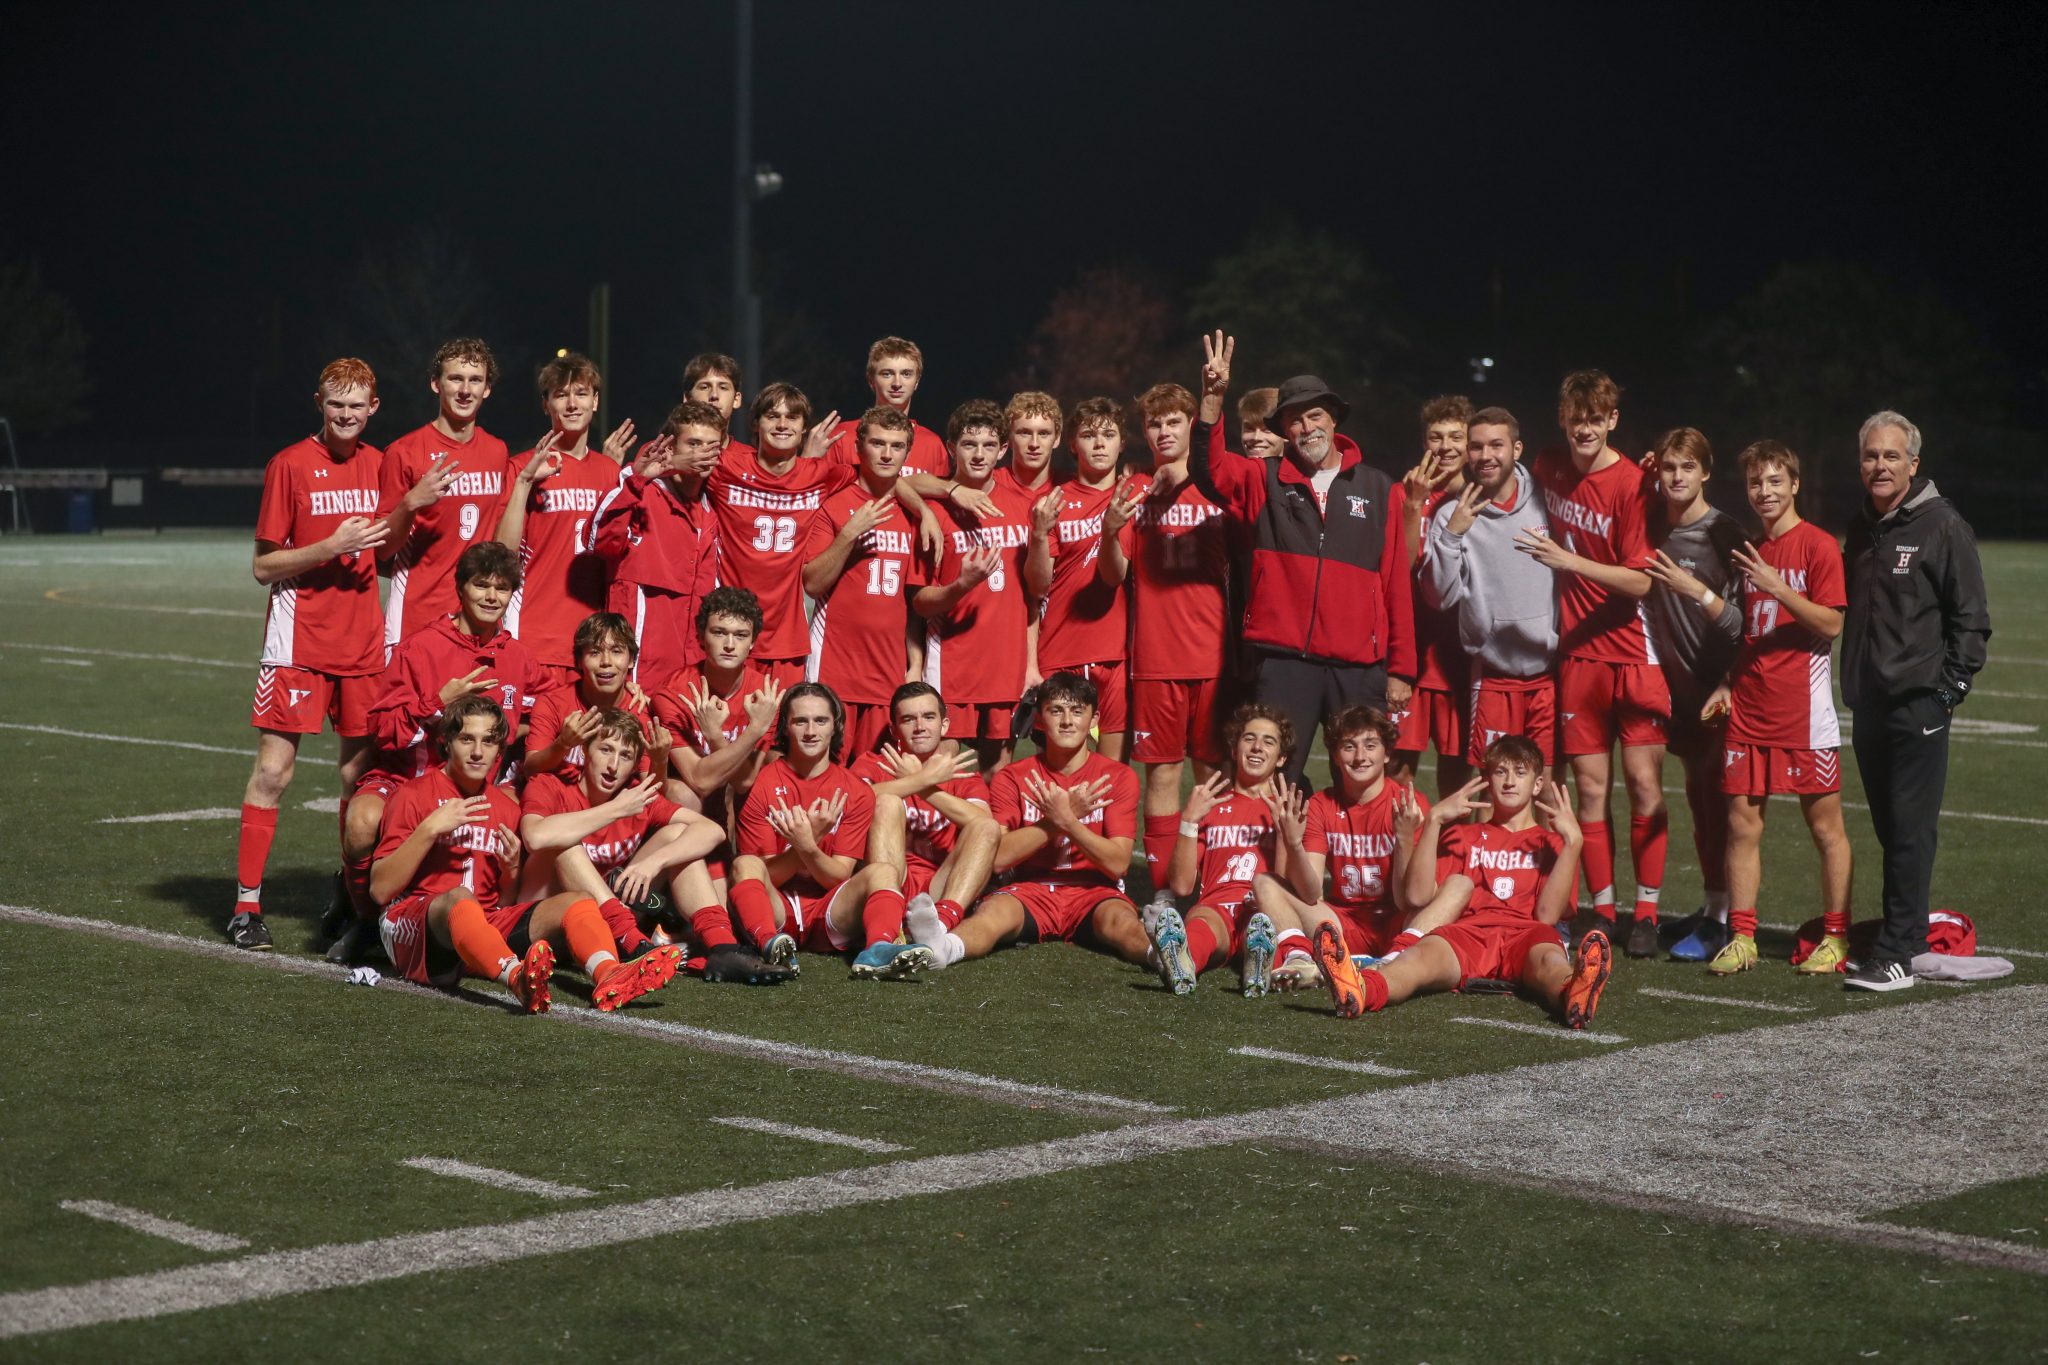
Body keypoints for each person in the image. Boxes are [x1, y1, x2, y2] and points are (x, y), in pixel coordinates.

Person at [1189, 332, 1415, 785]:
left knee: (1361, 780)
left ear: (1333, 420)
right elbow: (1208, 471)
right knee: (1275, 781)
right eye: (1294, 420)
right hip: (1284, 662)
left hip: (1359, 665)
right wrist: (1212, 399)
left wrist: (1402, 669)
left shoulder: (1379, 488)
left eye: (1314, 416)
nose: (1307, 427)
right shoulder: (1263, 478)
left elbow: (1395, 583)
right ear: (1284, 431)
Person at [230, 358, 392, 951]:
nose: (346, 415)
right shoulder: (290, 464)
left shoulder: (383, 465)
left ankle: (353, 900)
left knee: (358, 779)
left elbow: (392, 552)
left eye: (356, 405)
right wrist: (331, 545)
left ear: (373, 408)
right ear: (319, 403)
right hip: (297, 645)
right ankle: (246, 907)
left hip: (364, 646)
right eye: (336, 404)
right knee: (273, 773)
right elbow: (263, 565)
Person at [331, 541, 542, 962]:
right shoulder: (421, 647)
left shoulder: (518, 657)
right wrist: (437, 703)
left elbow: (546, 709)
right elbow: (383, 732)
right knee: (361, 821)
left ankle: (498, 920)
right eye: (481, 585)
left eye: (501, 588)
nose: (491, 596)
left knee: (531, 818)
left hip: (474, 785)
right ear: (460, 588)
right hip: (405, 777)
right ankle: (367, 920)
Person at [1839, 410, 1991, 991]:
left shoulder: (1943, 525)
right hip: (1868, 704)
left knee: (1909, 831)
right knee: (1891, 830)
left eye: (1891, 455)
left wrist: (1947, 693)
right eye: (1871, 455)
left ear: (1913, 463)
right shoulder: (1862, 528)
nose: (1880, 465)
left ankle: (1897, 955)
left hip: (1919, 705)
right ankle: (1909, 940)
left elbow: (1971, 620)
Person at [1314, 736, 1609, 1030]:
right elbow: (1417, 896)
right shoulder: (1463, 836)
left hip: (1525, 933)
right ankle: (1361, 989)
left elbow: (1547, 916)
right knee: (1416, 959)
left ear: (1537, 784)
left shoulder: (1552, 843)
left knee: (1550, 963)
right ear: (1487, 779)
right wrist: (1434, 821)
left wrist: (1574, 844)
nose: (1509, 782)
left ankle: (1574, 992)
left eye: (1520, 773)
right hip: (1467, 934)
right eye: (1500, 772)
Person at [1518, 370, 1667, 936]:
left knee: (1645, 787)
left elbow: (1641, 581)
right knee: (1589, 791)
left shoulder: (1632, 482)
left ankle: (1646, 914)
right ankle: (1603, 911)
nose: (1585, 428)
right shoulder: (1548, 465)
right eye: (1576, 418)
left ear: (1613, 421)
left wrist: (1570, 562)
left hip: (1634, 654)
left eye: (1596, 419)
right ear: (1563, 419)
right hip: (1578, 657)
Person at [1696, 441, 1852, 977]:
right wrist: (1726, 685)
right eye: (1755, 483)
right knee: (1741, 826)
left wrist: (1779, 587)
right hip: (1749, 711)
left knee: (1825, 828)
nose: (1764, 492)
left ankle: (1836, 938)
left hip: (1804, 714)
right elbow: (1751, 635)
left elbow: (1832, 624)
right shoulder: (1751, 550)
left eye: (1774, 481)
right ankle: (1742, 938)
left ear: (1795, 484)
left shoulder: (1819, 546)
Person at [920, 672, 1151, 972]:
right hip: (1030, 888)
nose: (1066, 721)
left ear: (1094, 719)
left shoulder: (1118, 777)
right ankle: (942, 949)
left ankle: (1163, 956)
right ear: (1039, 719)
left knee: (1122, 924)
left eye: (1077, 711)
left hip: (1095, 890)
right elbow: (998, 858)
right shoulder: (1012, 777)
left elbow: (1118, 863)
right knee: (991, 915)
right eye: (1056, 711)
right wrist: (1055, 822)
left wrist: (1069, 822)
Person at [1099, 382, 1231, 902]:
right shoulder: (1134, 489)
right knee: (1161, 776)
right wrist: (1110, 531)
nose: (1163, 431)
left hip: (1215, 656)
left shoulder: (1216, 484)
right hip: (1155, 659)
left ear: (1191, 425)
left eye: (1174, 421)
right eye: (1154, 423)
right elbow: (1115, 574)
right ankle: (1163, 895)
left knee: (1214, 777)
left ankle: (1218, 888)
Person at [516, 709, 725, 998]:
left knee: (677, 835)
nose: (613, 765)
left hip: (607, 918)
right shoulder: (551, 784)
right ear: (585, 750)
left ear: (635, 765)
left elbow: (713, 831)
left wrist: (652, 864)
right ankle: (634, 942)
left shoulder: (635, 795)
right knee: (565, 841)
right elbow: (535, 837)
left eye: (625, 756)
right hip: (548, 923)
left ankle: (723, 946)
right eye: (605, 750)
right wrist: (615, 809)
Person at [729, 683, 930, 979]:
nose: (811, 731)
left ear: (835, 726)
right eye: (801, 721)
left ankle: (879, 948)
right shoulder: (761, 785)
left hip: (830, 909)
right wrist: (805, 844)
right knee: (744, 863)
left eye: (820, 721)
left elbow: (837, 876)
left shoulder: (856, 791)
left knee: (884, 872)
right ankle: (769, 945)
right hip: (776, 908)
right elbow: (762, 875)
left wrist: (807, 846)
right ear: (786, 727)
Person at [368, 695, 554, 1011]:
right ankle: (517, 977)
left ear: (500, 749)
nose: (478, 752)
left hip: (478, 927)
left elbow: (504, 903)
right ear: (447, 742)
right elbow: (380, 890)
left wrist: (510, 871)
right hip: (414, 927)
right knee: (460, 899)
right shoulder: (412, 795)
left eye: (488, 741)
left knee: (575, 904)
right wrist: (429, 829)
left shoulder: (506, 809)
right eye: (467, 739)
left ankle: (609, 972)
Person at [1419, 405, 1560, 807]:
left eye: (1496, 445)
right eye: (1477, 447)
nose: (1486, 455)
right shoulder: (1452, 513)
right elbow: (1438, 598)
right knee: (1492, 795)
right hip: (1493, 676)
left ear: (1517, 448)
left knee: (1546, 794)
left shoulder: (1547, 502)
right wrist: (1451, 536)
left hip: (1546, 675)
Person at [1639, 428, 1746, 961]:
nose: (1677, 477)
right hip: (1676, 690)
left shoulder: (1725, 533)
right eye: (1668, 467)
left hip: (1717, 692)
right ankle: (1711, 906)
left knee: (1717, 808)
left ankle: (1722, 919)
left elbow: (1744, 623)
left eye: (1687, 467)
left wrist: (1695, 591)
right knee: (1699, 804)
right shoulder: (1653, 521)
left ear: (1706, 471)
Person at [1255, 707, 1429, 988]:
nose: (1360, 756)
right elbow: (1311, 893)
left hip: (1399, 921)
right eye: (1349, 747)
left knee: (1456, 886)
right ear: (1335, 756)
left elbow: (1407, 901)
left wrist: (1404, 839)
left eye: (1370, 746)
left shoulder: (1409, 804)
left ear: (1386, 753)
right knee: (1265, 883)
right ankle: (1300, 958)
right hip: (1341, 923)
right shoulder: (1322, 805)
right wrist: (1294, 844)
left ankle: (1395, 956)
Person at [494, 352, 634, 688]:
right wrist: (525, 482)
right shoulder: (522, 466)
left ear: (595, 401)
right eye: (561, 395)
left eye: (581, 394)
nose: (572, 404)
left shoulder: (610, 472)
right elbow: (502, 552)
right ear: (546, 405)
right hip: (535, 634)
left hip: (593, 644)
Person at [802, 408, 936, 755]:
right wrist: (849, 534)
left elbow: (913, 604)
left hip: (888, 671)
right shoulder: (834, 503)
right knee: (826, 769)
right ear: (858, 447)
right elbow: (813, 584)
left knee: (877, 774)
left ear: (908, 452)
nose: (887, 454)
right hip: (834, 666)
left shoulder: (913, 515)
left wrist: (915, 664)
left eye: (897, 446)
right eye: (878, 443)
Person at [912, 401, 1038, 768]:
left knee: (997, 774)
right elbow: (919, 602)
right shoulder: (933, 511)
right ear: (952, 448)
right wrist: (961, 585)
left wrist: (1030, 663)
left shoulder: (1025, 507)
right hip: (952, 662)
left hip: (1006, 663)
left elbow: (1033, 596)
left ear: (1003, 449)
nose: (979, 454)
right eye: (969, 444)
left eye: (989, 445)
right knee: (939, 766)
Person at [705, 383, 854, 688]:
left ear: (804, 429)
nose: (782, 424)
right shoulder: (727, 467)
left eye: (792, 417)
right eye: (772, 416)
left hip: (787, 638)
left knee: (784, 718)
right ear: (756, 424)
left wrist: (934, 502)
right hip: (730, 633)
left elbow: (881, 478)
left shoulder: (820, 474)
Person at [1151, 703, 1297, 997]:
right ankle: (1183, 962)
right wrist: (1189, 821)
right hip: (1215, 908)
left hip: (1262, 906)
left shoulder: (1288, 810)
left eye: (1268, 742)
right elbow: (1181, 885)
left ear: (1281, 758)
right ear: (1234, 749)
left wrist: (1285, 833)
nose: (1257, 747)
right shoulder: (1210, 805)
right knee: (1201, 923)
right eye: (1249, 738)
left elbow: (1288, 885)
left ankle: (1258, 962)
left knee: (1262, 925)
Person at [378, 339, 512, 653]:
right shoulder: (404, 452)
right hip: (418, 617)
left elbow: (501, 541)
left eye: (475, 380)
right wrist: (411, 503)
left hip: (479, 617)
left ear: (487, 389)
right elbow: (383, 551)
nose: (465, 390)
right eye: (455, 379)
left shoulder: (497, 451)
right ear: (436, 384)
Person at [857, 681, 1003, 960]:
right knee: (886, 802)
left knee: (986, 825)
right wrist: (920, 779)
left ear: (944, 725)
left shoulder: (962, 775)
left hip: (941, 887)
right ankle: (889, 925)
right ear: (894, 729)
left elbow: (985, 826)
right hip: (888, 882)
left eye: (928, 717)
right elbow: (854, 803)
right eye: (908, 719)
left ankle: (939, 929)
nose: (920, 726)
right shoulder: (873, 763)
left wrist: (925, 787)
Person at [1029, 398, 1139, 761]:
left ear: (1122, 443)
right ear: (1073, 444)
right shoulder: (1053, 501)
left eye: (1109, 435)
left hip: (1116, 656)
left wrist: (1111, 530)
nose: (1099, 443)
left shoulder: (1134, 495)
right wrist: (1039, 535)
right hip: (1061, 652)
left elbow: (1114, 575)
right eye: (1089, 435)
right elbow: (1037, 586)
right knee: (1060, 772)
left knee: (1111, 772)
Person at [591, 401, 721, 687]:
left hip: (689, 667)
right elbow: (597, 540)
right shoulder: (641, 490)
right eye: (693, 444)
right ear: (671, 448)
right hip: (637, 667)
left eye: (711, 446)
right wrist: (637, 478)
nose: (702, 454)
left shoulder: (714, 509)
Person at [1388, 395, 1474, 793]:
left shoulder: (1480, 499)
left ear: (1470, 443)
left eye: (1456, 437)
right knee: (1396, 772)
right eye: (1436, 437)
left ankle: (1450, 839)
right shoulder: (1400, 494)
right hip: (1411, 655)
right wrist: (1414, 503)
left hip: (1459, 657)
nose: (1446, 447)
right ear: (1425, 442)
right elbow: (1401, 566)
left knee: (1456, 779)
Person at [524, 613, 665, 776]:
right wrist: (562, 744)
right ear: (579, 661)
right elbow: (529, 770)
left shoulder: (640, 711)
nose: (606, 661)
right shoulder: (553, 703)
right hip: (559, 790)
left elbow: (650, 785)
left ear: (631, 660)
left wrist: (661, 761)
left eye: (616, 651)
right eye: (595, 652)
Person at [824, 336, 952, 477]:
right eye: (887, 374)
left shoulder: (932, 444)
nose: (897, 383)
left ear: (917, 381)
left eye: (906, 374)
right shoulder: (841, 437)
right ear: (871, 380)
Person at [680, 352, 753, 458]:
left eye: (723, 388)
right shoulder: (659, 455)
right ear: (687, 398)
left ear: (736, 400)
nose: (714, 395)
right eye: (704, 387)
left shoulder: (751, 460)